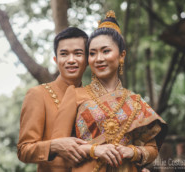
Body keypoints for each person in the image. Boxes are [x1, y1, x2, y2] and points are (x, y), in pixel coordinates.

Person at [51, 11, 167, 172]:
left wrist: (132, 152)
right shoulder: (75, 94)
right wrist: (94, 149)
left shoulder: (135, 101)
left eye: (106, 51)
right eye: (92, 53)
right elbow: (58, 145)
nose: (98, 58)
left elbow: (152, 149)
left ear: (121, 55)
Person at [17, 27, 89, 172]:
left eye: (78, 54)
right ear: (56, 60)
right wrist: (54, 146)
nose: (71, 60)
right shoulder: (38, 94)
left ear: (88, 59)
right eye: (64, 54)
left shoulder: (93, 98)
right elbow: (23, 150)